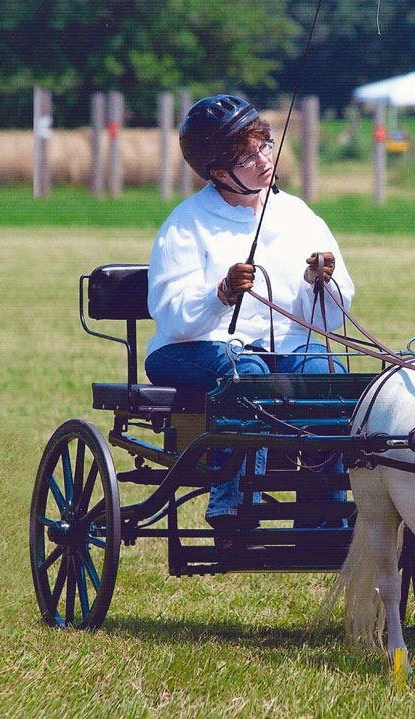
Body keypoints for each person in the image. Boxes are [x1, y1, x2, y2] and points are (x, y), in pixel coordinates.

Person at [144, 94, 355, 540]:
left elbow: (333, 316)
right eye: (248, 156)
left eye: (264, 146)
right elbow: (171, 314)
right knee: (249, 372)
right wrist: (220, 293)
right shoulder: (187, 223)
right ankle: (234, 505)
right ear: (219, 172)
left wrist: (319, 282)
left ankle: (322, 514)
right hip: (190, 350)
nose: (264, 160)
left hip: (283, 350)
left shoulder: (297, 215)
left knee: (326, 372)